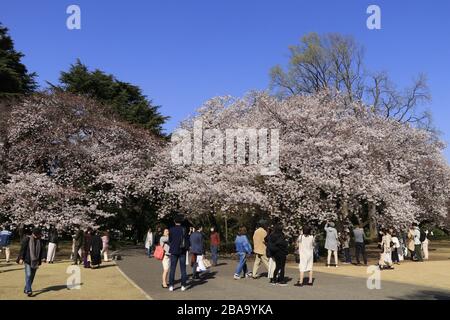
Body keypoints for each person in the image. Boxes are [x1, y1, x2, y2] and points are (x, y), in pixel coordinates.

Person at [17, 228, 45, 297]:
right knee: (29, 275)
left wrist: (43, 257)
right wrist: (21, 258)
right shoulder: (27, 239)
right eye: (38, 234)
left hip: (36, 261)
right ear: (34, 234)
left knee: (32, 276)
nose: (39, 236)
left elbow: (42, 250)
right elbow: (23, 249)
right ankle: (29, 290)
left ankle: (26, 288)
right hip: (27, 260)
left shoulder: (40, 241)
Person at [168, 215, 190, 292]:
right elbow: (187, 240)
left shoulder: (171, 229)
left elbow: (170, 240)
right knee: (183, 269)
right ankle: (183, 285)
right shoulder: (184, 229)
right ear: (181, 221)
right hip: (182, 251)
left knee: (172, 269)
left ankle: (171, 285)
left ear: (174, 221)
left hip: (174, 251)